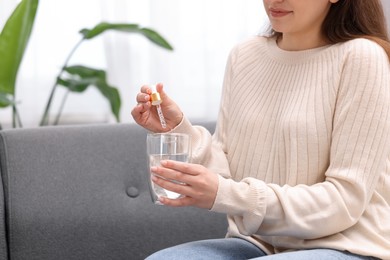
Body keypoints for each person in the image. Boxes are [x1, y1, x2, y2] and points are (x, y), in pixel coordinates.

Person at [131, 0, 390, 259]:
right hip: (258, 243)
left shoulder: (362, 57)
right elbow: (229, 172)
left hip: (348, 245)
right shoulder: (245, 56)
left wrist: (228, 194)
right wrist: (178, 129)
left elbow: (344, 202)